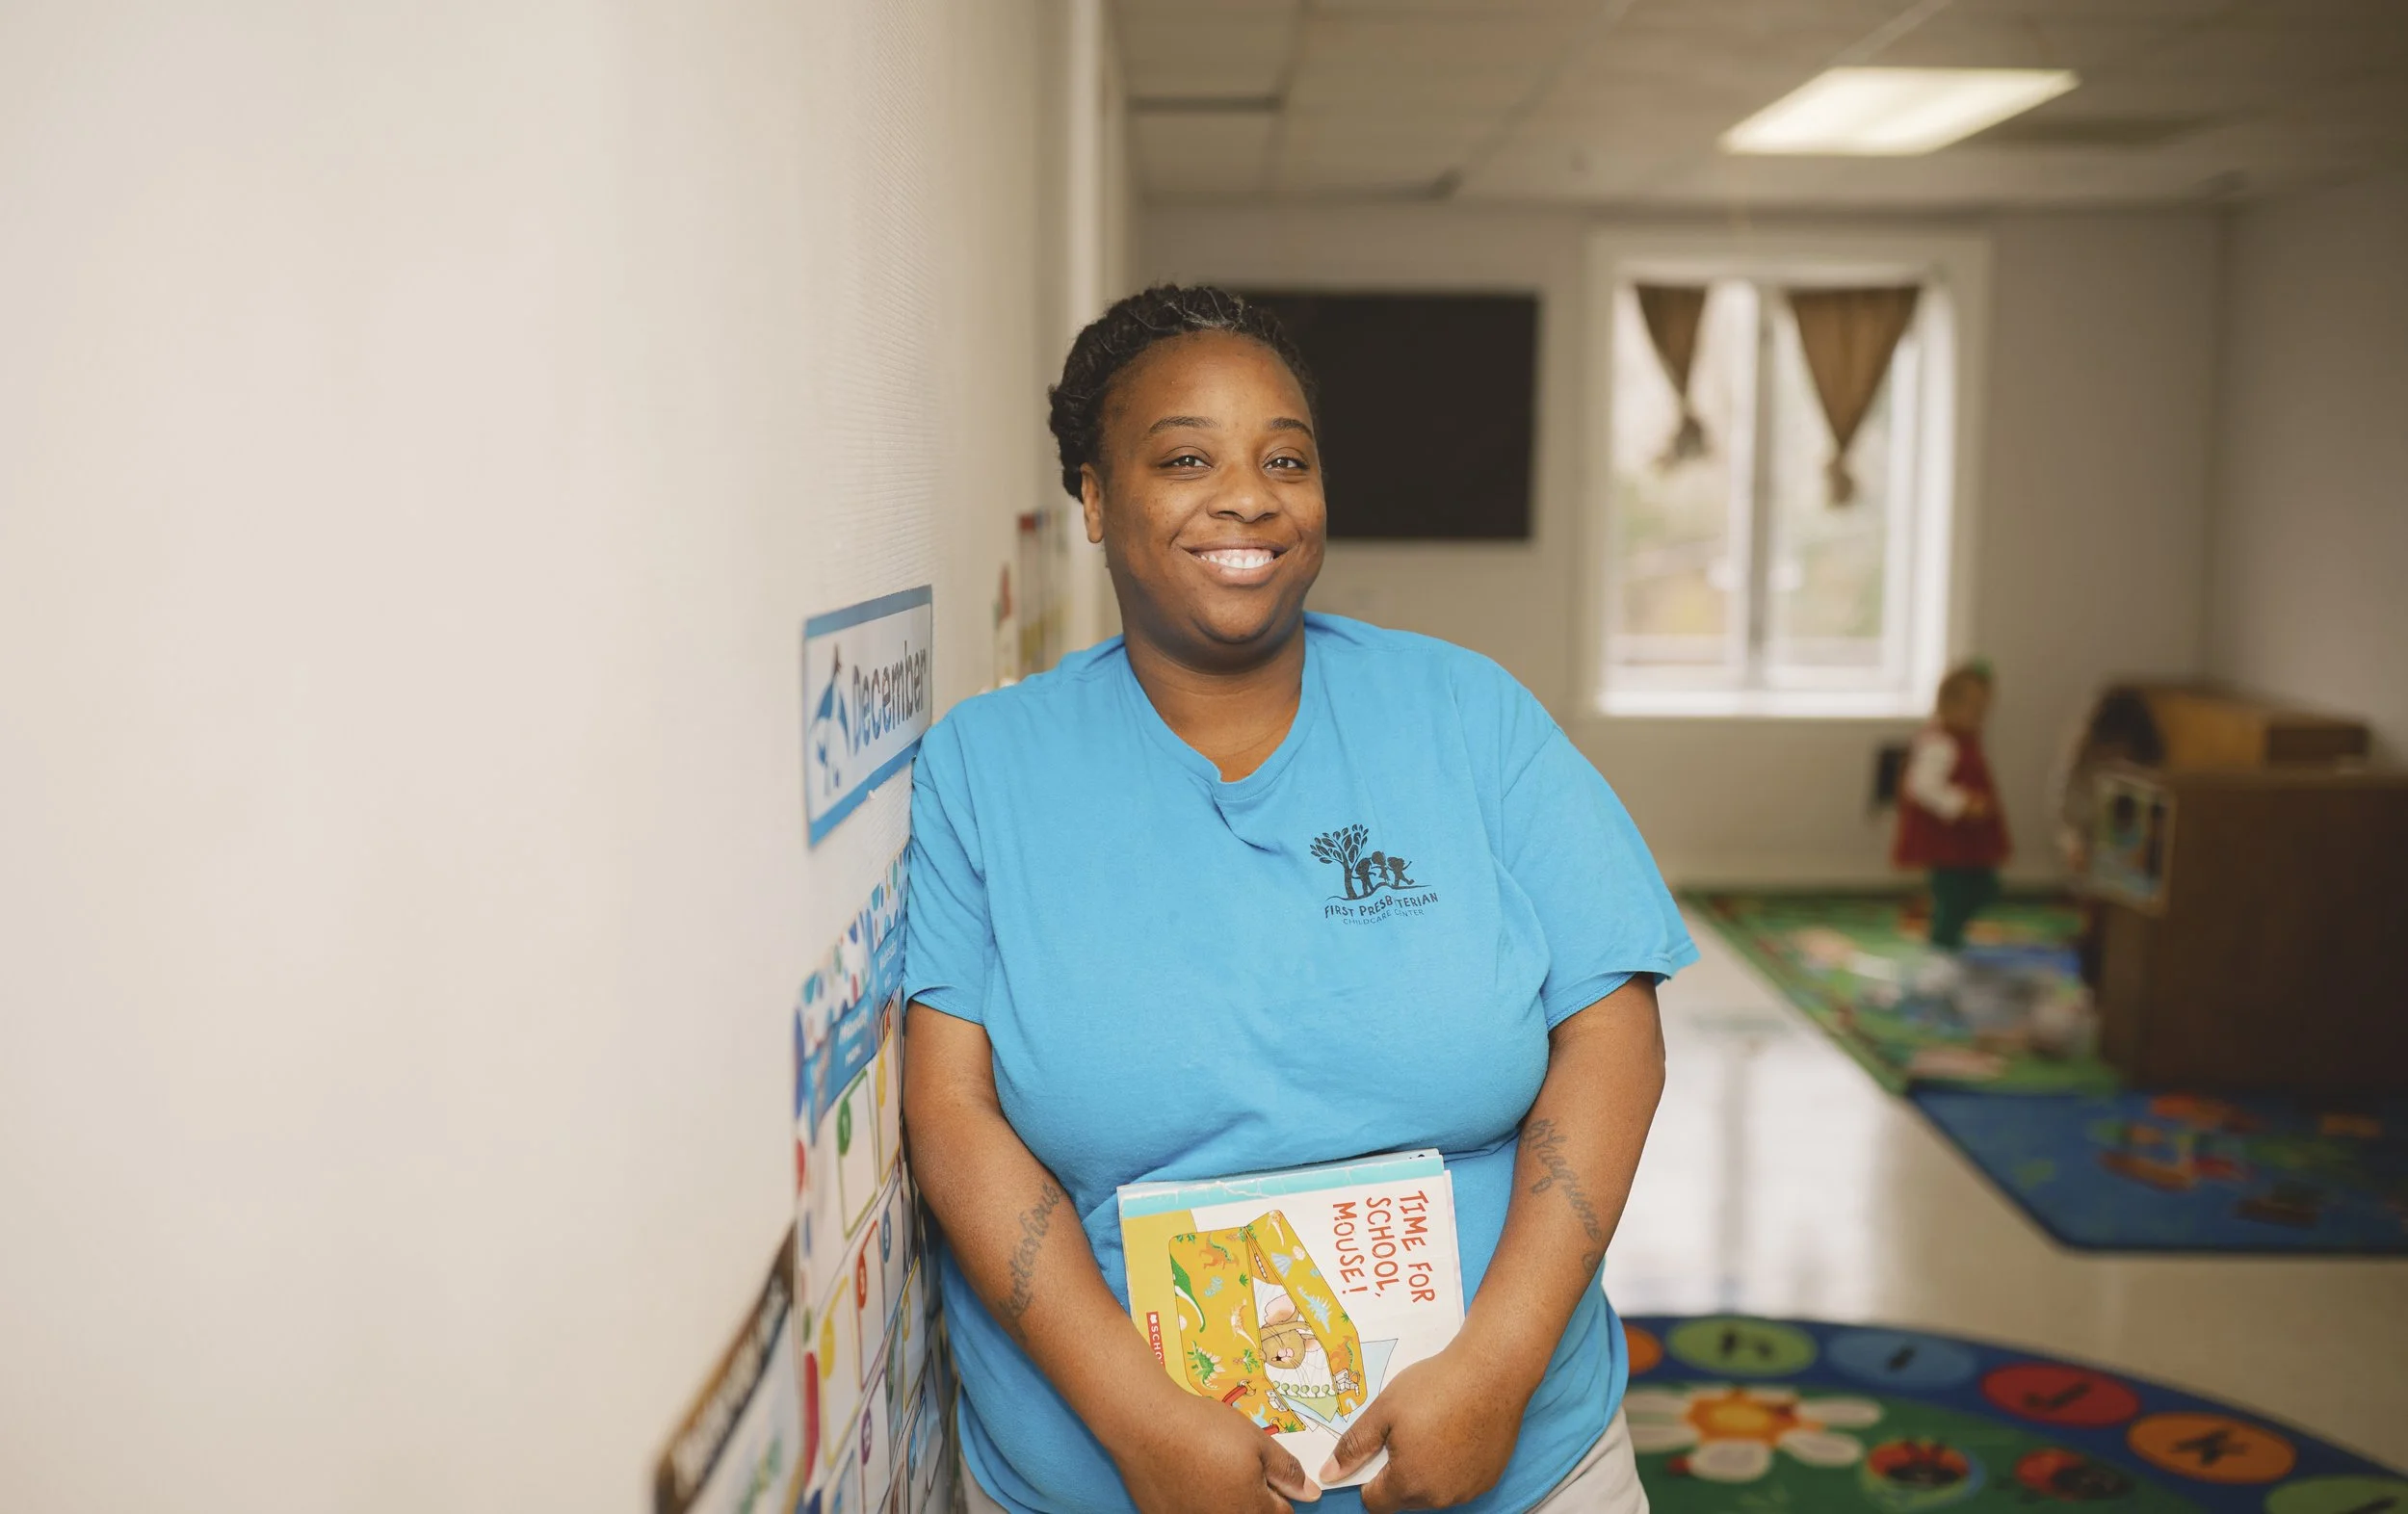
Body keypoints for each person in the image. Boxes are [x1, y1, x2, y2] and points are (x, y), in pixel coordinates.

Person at [903, 285, 1693, 1514]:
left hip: (1512, 1465)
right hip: (1109, 1482)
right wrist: (1138, 1421)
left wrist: (1493, 1371)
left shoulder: (1466, 716)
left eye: (1287, 457)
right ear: (1096, 501)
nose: (1248, 495)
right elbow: (950, 1114)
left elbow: (1611, 1026)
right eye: (1183, 458)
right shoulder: (984, 769)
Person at [2046, 686, 2164, 984]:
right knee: (2097, 915)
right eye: (2109, 751)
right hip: (2093, 850)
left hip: (2129, 855)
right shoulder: (2082, 762)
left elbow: (2151, 825)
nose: (2116, 759)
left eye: (2123, 753)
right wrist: (2073, 843)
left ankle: (2106, 964)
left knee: (2118, 919)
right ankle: (2094, 965)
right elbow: (2066, 811)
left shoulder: (2149, 769)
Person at [1893, 662, 2010, 952]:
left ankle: (1948, 931)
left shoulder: (1966, 740)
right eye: (1972, 707)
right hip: (1947, 839)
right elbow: (1921, 786)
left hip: (1970, 839)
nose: (1980, 714)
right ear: (1948, 705)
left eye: (1984, 707)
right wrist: (1961, 804)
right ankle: (1943, 944)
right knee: (1953, 893)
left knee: (1984, 887)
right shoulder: (1939, 743)